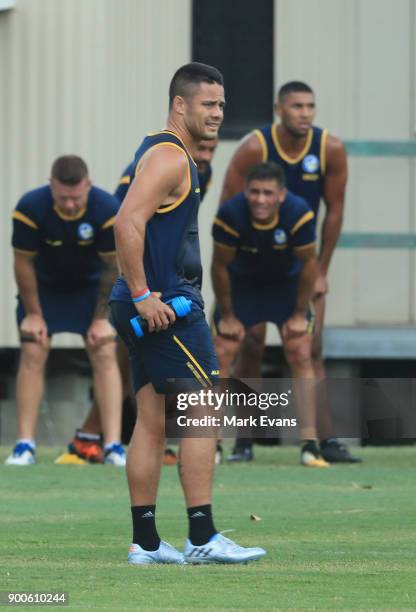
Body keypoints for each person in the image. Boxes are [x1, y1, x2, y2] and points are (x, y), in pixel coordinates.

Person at [109, 62, 266, 564]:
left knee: (151, 419)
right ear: (180, 105)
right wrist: (141, 294)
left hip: (150, 303)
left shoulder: (162, 149)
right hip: (164, 306)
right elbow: (126, 222)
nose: (218, 112)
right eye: (208, 104)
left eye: (221, 104)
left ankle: (147, 542)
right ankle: (202, 536)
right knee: (204, 411)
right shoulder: (171, 158)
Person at [220, 81, 360, 464]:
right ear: (279, 109)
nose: (305, 113)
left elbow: (335, 211)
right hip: (251, 265)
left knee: (310, 347)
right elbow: (227, 213)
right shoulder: (254, 148)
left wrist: (321, 270)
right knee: (250, 344)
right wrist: (232, 277)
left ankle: (323, 441)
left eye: (310, 106)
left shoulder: (329, 148)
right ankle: (244, 441)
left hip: (299, 264)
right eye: (296, 106)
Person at [65, 138, 219, 466]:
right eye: (202, 149)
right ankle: (97, 437)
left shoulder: (199, 173)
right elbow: (125, 228)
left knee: (136, 370)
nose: (206, 155)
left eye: (211, 149)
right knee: (136, 369)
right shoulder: (152, 170)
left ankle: (89, 437)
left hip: (160, 290)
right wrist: (140, 292)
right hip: (135, 290)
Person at [5, 155, 126, 466]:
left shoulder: (107, 210)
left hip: (91, 290)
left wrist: (101, 319)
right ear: (51, 186)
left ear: (89, 185)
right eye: (62, 197)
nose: (70, 205)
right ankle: (24, 446)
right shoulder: (30, 208)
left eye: (76, 197)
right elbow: (23, 263)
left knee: (104, 350)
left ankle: (112, 445)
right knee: (33, 349)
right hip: (44, 290)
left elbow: (112, 269)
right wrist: (33, 313)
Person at [212, 162, 329, 467]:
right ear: (245, 192)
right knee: (224, 351)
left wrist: (300, 313)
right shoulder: (229, 215)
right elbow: (219, 266)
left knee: (300, 350)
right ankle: (215, 445)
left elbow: (309, 265)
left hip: (286, 287)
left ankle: (309, 444)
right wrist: (227, 314)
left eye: (267, 193)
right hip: (243, 286)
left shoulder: (299, 213)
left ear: (281, 195)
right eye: (254, 192)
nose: (260, 200)